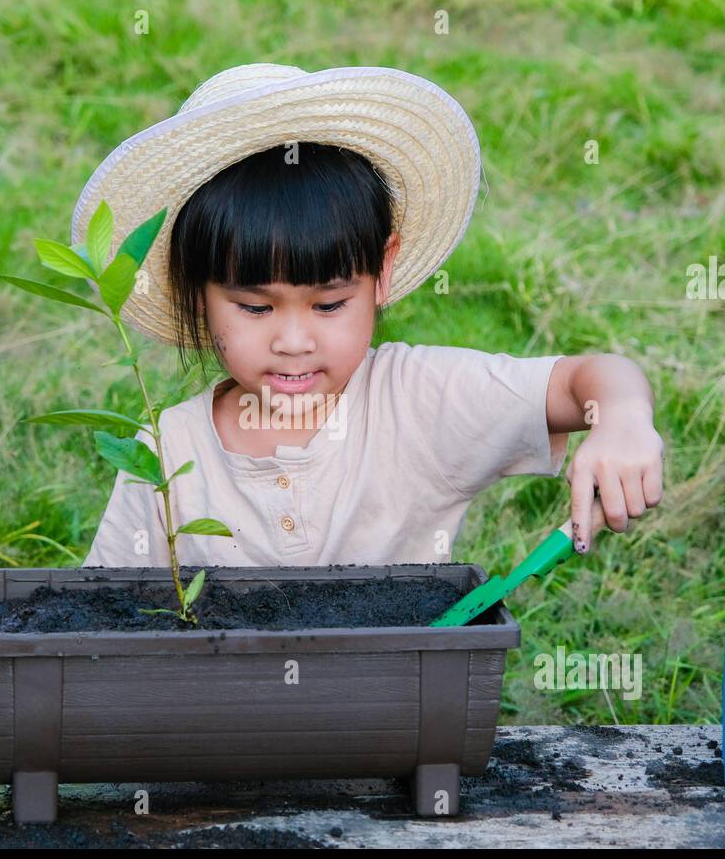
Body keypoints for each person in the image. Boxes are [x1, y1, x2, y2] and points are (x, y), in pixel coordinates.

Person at [74, 63, 663, 568]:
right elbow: (102, 621)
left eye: (329, 304)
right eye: (255, 306)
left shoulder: (417, 402)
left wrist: (624, 419)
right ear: (197, 293)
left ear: (382, 271)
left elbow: (588, 378)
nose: (294, 341)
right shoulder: (167, 450)